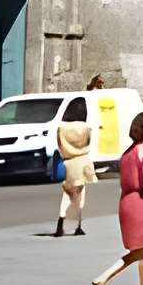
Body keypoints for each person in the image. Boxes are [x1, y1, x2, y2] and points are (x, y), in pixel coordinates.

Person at [88, 112, 143, 285]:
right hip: (142, 204)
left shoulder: (126, 154)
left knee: (140, 250)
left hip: (126, 203)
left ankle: (103, 278)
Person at [51, 101, 97, 237]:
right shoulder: (86, 128)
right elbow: (89, 143)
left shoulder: (61, 128)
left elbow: (59, 146)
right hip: (83, 161)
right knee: (80, 194)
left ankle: (61, 218)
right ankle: (78, 225)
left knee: (67, 193)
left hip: (68, 162)